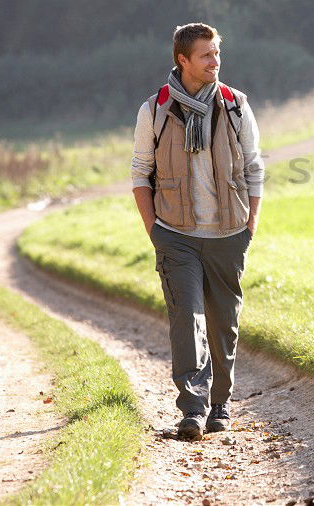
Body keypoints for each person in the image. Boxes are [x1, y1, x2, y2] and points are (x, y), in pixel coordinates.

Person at [130, 22, 264, 440]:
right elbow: (140, 174)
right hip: (176, 235)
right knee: (186, 319)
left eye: (217, 53)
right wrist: (156, 231)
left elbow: (254, 167)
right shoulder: (154, 110)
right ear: (182, 60)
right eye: (206, 55)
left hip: (228, 235)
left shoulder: (235, 104)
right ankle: (192, 408)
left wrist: (250, 224)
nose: (215, 62)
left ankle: (220, 405)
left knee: (224, 323)